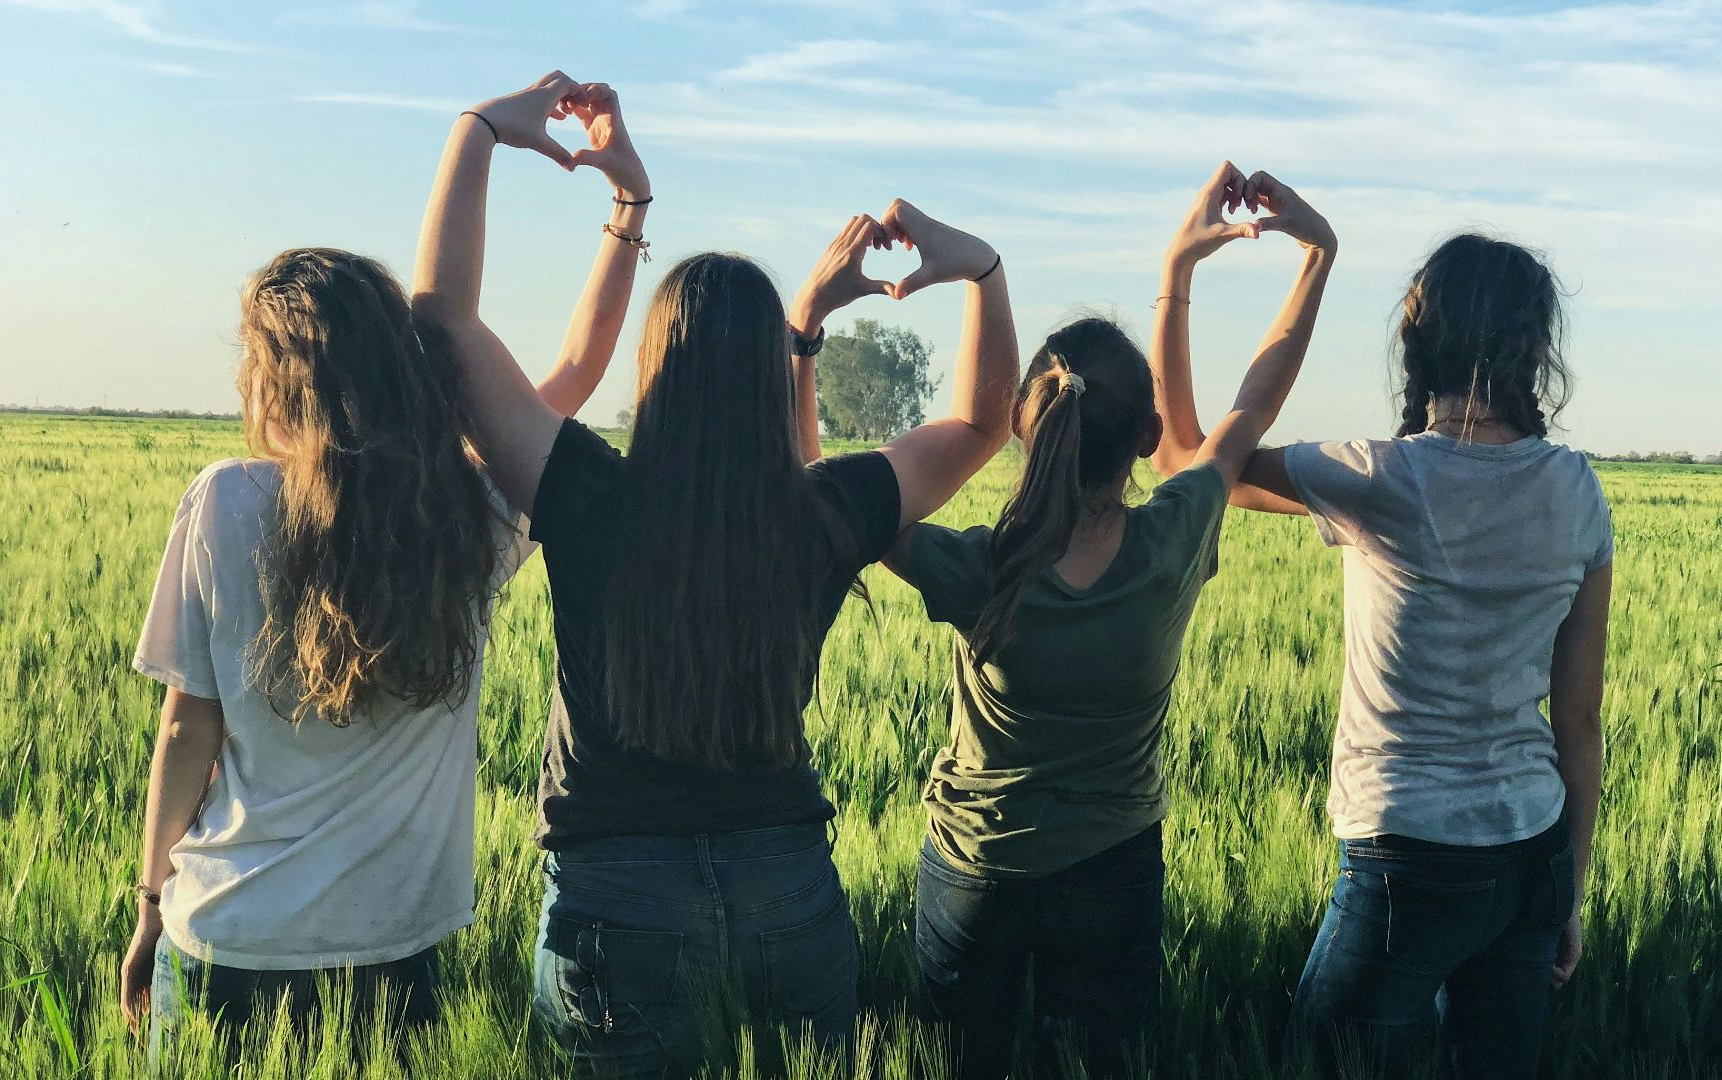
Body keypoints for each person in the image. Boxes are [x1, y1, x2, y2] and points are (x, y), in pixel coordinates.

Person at [411, 72, 1020, 1076]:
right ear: (762, 382)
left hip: (617, 901)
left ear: (656, 370)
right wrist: (982, 272)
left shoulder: (586, 493)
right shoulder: (824, 513)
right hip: (790, 891)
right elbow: (981, 423)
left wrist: (477, 130)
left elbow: (442, 325)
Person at [118, 83, 642, 1056]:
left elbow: (187, 726)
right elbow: (576, 368)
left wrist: (152, 903)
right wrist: (626, 211)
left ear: (273, 381)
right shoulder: (468, 514)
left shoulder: (224, 502)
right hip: (392, 958)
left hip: (226, 938)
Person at [878, 162, 1335, 1080]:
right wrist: (1304, 257)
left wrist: (807, 331)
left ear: (1023, 428)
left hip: (977, 871)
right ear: (1142, 434)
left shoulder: (981, 565)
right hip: (1116, 872)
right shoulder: (1173, 539)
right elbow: (1251, 405)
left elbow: (835, 503)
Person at [1152, 218, 1613, 1077]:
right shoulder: (1577, 491)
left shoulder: (1381, 476)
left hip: (1408, 858)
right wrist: (1568, 898)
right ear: (1535, 348)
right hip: (1534, 857)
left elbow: (1184, 459)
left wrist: (1178, 272)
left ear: (1418, 339)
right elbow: (1578, 723)